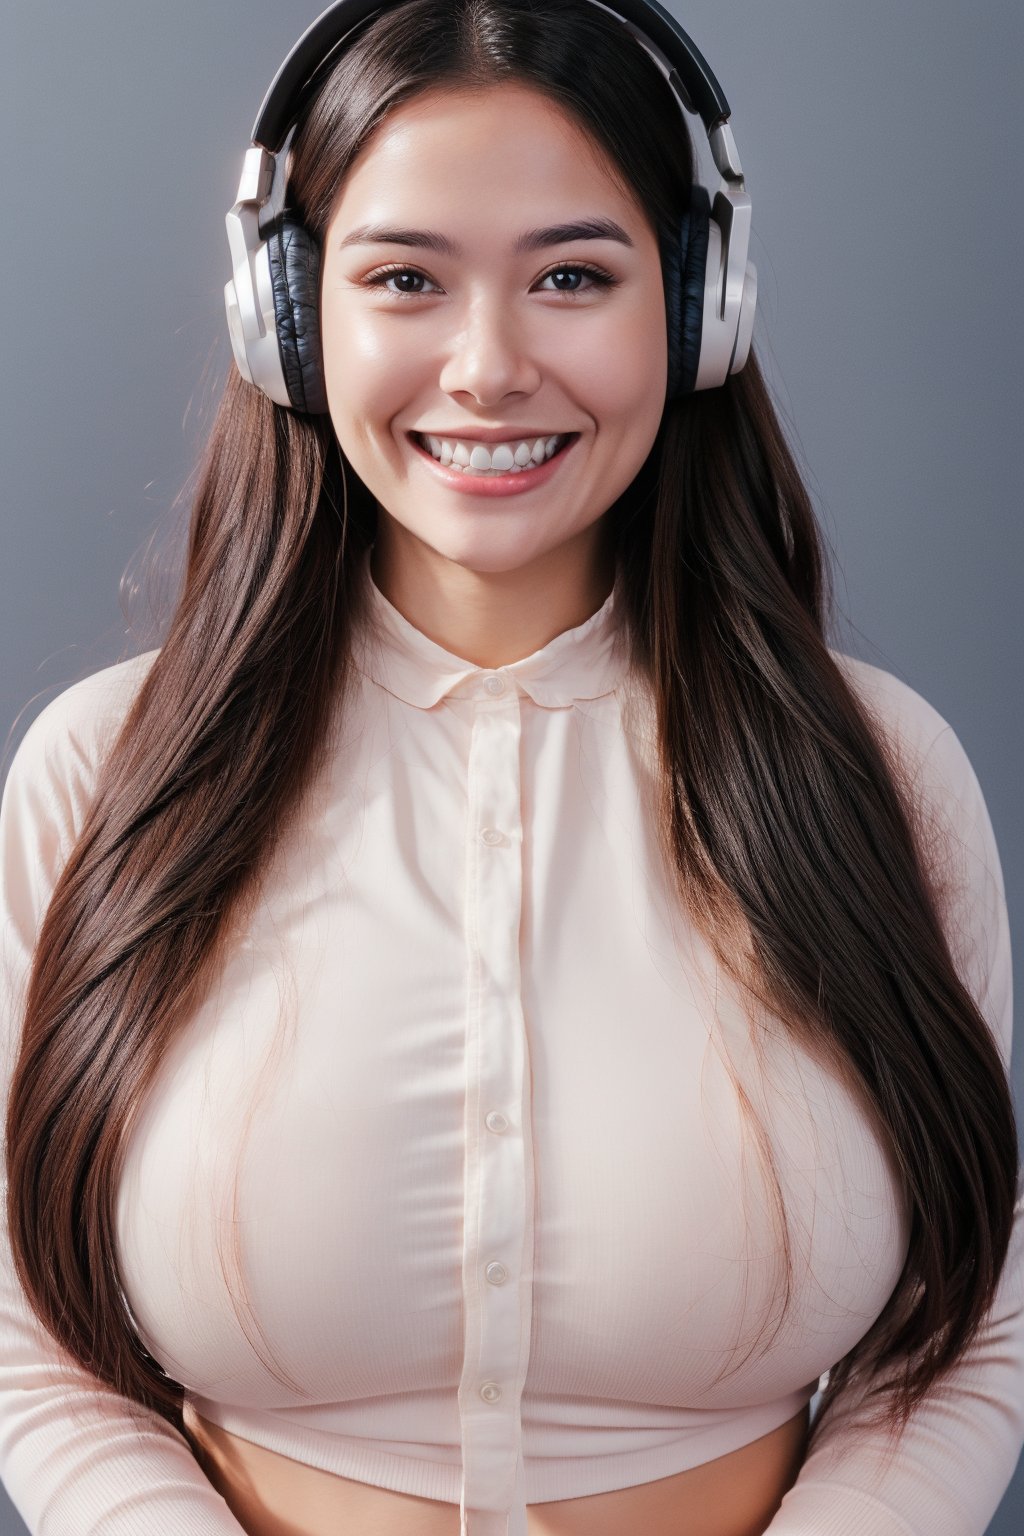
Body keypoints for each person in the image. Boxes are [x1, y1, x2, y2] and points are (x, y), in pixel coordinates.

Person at [1, 2, 1021, 1534]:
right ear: (284, 316)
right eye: (404, 278)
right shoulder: (101, 771)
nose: (487, 367)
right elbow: (36, 1345)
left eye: (572, 278)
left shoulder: (882, 768)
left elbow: (971, 1328)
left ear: (700, 302)